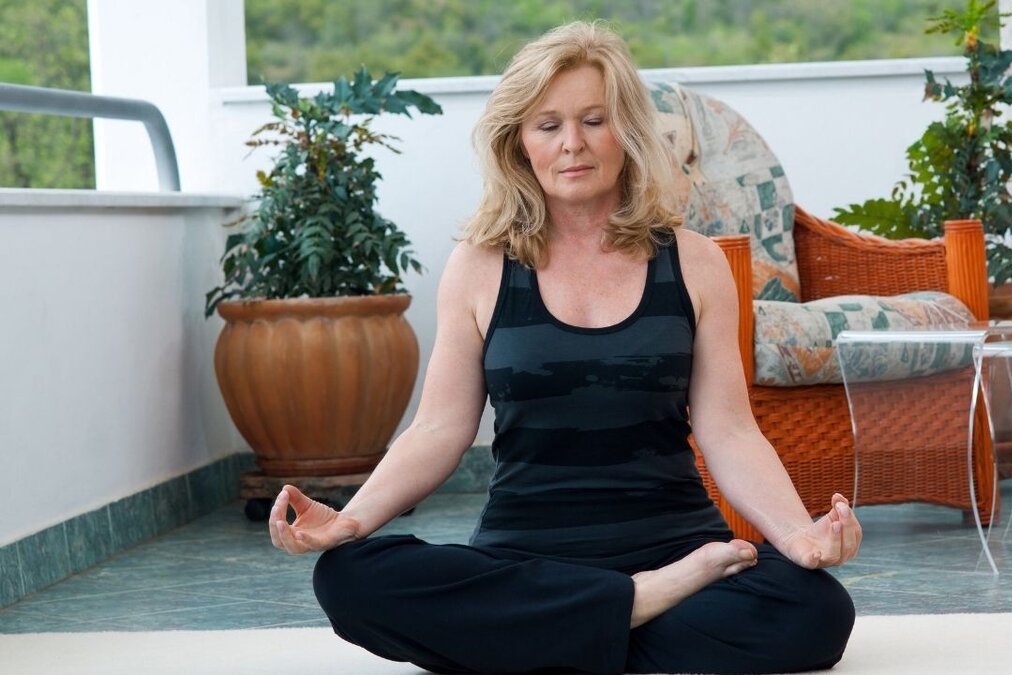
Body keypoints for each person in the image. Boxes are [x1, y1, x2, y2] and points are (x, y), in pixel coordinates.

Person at [269, 21, 860, 674]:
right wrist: (350, 521)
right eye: (548, 125)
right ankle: (635, 604)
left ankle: (544, 633)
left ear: (627, 131)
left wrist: (797, 534)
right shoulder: (478, 266)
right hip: (525, 554)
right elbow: (438, 429)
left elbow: (729, 430)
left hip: (675, 546)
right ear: (520, 142)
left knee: (817, 610)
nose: (572, 143)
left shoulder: (695, 263)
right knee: (347, 578)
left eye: (593, 121)